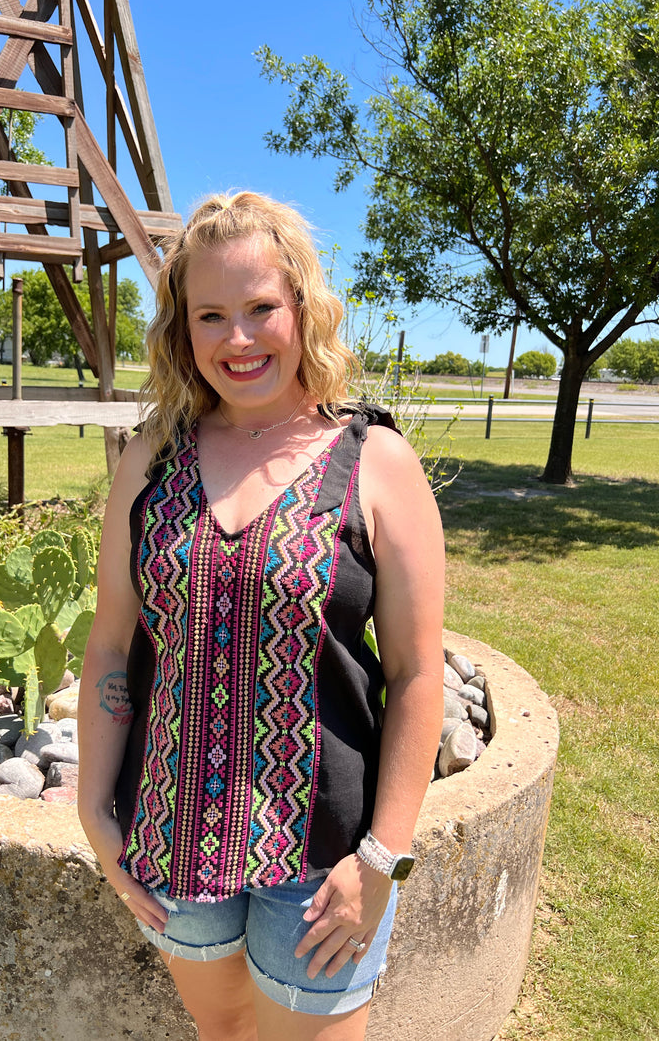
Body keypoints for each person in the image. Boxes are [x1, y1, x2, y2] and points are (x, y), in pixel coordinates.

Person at [77, 191, 444, 1041]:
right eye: (211, 314)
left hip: (323, 865)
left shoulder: (375, 462)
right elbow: (109, 645)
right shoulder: (148, 460)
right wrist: (96, 814)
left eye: (259, 309)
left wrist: (381, 859)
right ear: (183, 329)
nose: (237, 339)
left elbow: (418, 673)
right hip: (169, 844)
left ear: (302, 309)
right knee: (226, 1033)